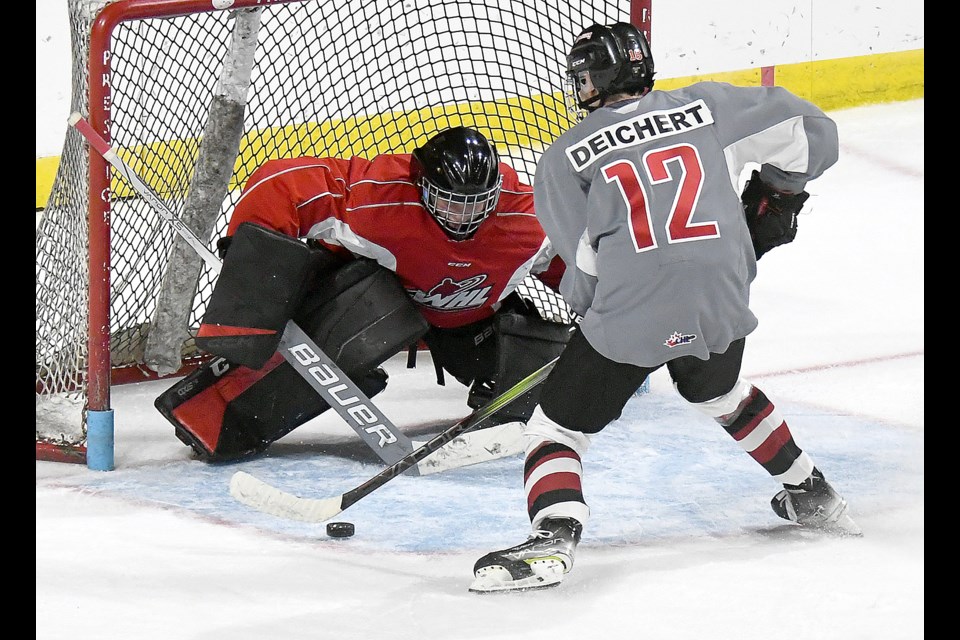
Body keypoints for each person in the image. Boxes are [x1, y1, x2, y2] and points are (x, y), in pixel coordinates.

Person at [469, 22, 860, 594]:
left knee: (556, 428)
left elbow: (583, 271)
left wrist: (599, 323)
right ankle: (811, 492)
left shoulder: (561, 159)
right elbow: (816, 134)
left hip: (633, 311)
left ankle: (554, 536)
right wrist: (780, 191)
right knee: (718, 391)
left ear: (598, 80)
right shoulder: (710, 105)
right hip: (722, 296)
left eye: (581, 78)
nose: (577, 88)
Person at [155, 126, 575, 465]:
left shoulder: (529, 219)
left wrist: (609, 322)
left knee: (548, 383)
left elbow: (580, 272)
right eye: (449, 203)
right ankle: (213, 413)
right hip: (379, 304)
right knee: (373, 309)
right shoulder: (379, 201)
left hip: (467, 323)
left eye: (475, 204)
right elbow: (280, 180)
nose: (463, 217)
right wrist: (251, 275)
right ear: (421, 188)